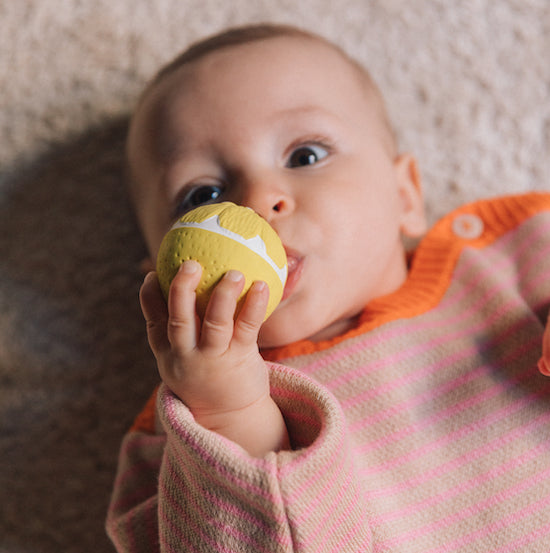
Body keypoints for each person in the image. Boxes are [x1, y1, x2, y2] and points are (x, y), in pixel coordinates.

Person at [106, 23, 550, 552]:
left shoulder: (513, 256)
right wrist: (230, 414)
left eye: (305, 156)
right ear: (157, 285)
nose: (258, 201)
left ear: (405, 193)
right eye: (204, 195)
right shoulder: (181, 434)